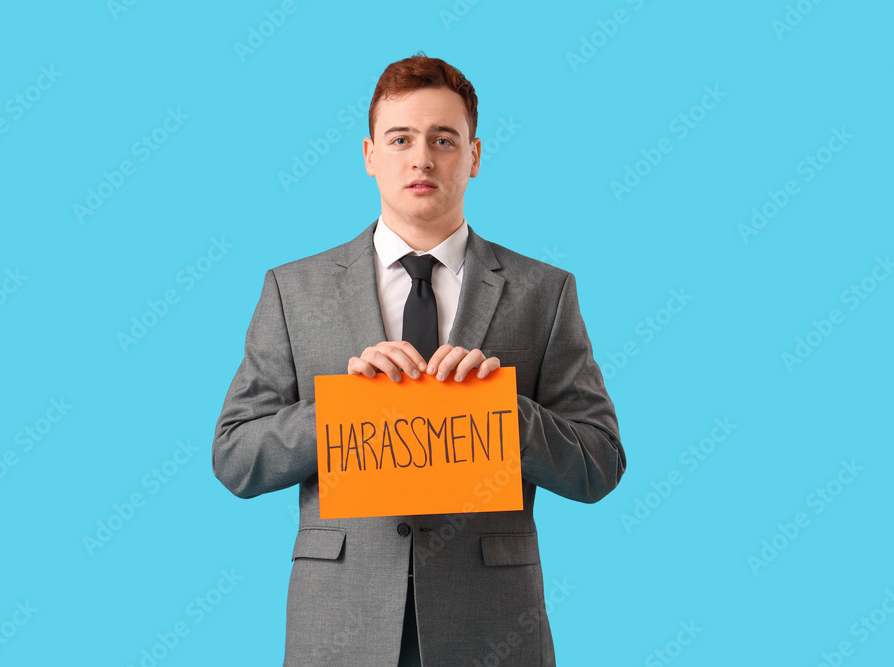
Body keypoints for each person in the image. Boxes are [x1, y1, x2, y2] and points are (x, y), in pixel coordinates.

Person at [212, 53, 626, 666]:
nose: (422, 159)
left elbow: (599, 464)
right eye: (400, 139)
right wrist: (341, 410)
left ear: (474, 156)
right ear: (370, 155)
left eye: (443, 139)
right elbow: (235, 459)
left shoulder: (545, 292)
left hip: (489, 623)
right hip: (341, 623)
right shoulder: (293, 290)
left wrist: (503, 413)